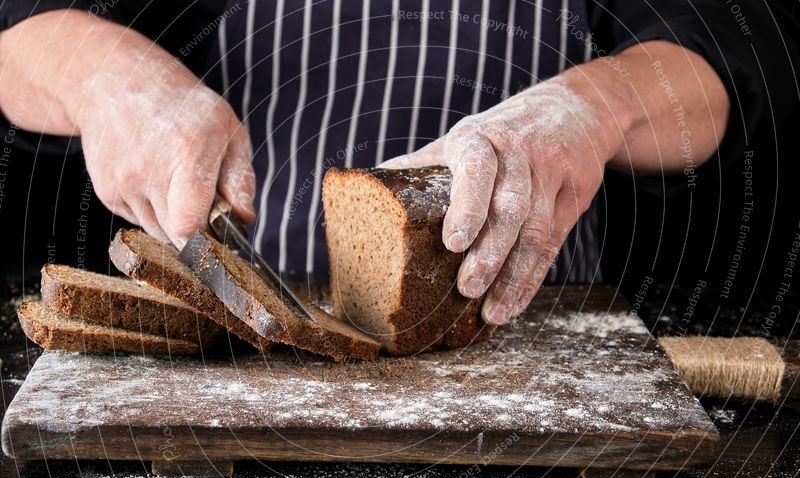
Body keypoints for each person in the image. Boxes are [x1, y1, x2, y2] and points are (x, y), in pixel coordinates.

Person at [0, 1, 798, 326]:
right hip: (243, 343)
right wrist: (97, 68)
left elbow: (729, 64)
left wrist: (594, 105)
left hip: (531, 340)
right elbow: (17, 40)